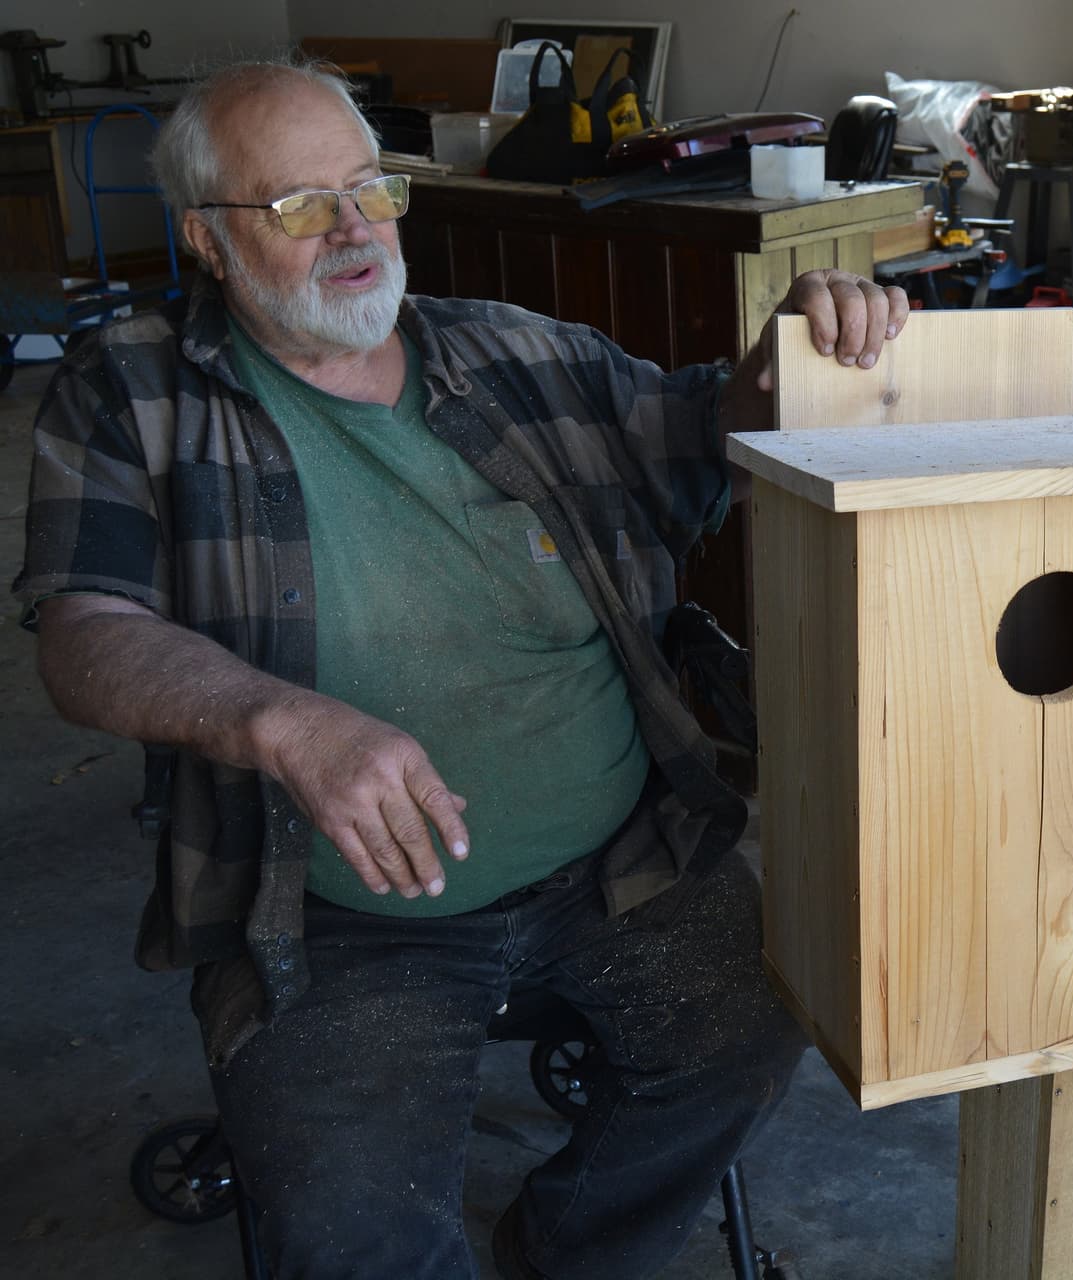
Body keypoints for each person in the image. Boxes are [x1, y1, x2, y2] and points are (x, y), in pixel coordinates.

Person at [13, 58, 908, 1279]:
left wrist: (791, 353)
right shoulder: (133, 393)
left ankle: (564, 1248)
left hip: (624, 863)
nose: (352, 229)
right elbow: (84, 629)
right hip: (337, 918)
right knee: (348, 1233)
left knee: (758, 1032)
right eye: (296, 206)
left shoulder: (521, 354)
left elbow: (710, 431)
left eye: (370, 188)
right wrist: (282, 721)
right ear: (207, 242)